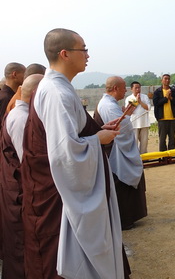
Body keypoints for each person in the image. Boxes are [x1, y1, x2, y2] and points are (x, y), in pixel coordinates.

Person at [20, 28, 127, 278]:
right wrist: (97, 139)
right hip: (60, 193)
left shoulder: (60, 87)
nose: (88, 55)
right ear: (65, 54)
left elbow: (74, 135)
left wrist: (98, 131)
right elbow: (64, 153)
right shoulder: (56, 92)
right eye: (83, 49)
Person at [0, 73, 43, 278]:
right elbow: (27, 162)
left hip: (22, 191)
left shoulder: (26, 115)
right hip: (20, 194)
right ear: (36, 93)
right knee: (21, 248)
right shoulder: (21, 119)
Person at [96, 76, 147, 230]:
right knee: (121, 183)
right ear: (116, 88)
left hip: (116, 148)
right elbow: (121, 129)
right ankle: (125, 219)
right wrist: (127, 117)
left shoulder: (110, 104)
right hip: (115, 152)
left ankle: (129, 216)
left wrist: (126, 114)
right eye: (124, 87)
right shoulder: (108, 105)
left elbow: (120, 122)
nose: (126, 90)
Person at [153, 74, 175, 151]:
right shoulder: (157, 92)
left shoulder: (173, 91)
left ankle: (171, 155)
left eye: (168, 79)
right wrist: (165, 98)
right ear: (162, 80)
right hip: (162, 118)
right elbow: (156, 103)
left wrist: (171, 98)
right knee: (162, 138)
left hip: (172, 118)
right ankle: (163, 156)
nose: (167, 80)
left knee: (172, 138)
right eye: (165, 79)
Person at [125, 81, 151, 154]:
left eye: (139, 88)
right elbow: (129, 111)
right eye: (136, 88)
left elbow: (148, 108)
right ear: (131, 89)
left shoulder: (144, 97)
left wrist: (140, 102)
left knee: (144, 141)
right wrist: (136, 101)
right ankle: (135, 157)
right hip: (134, 123)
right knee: (134, 141)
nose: (138, 89)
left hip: (144, 122)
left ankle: (144, 157)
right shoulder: (129, 98)